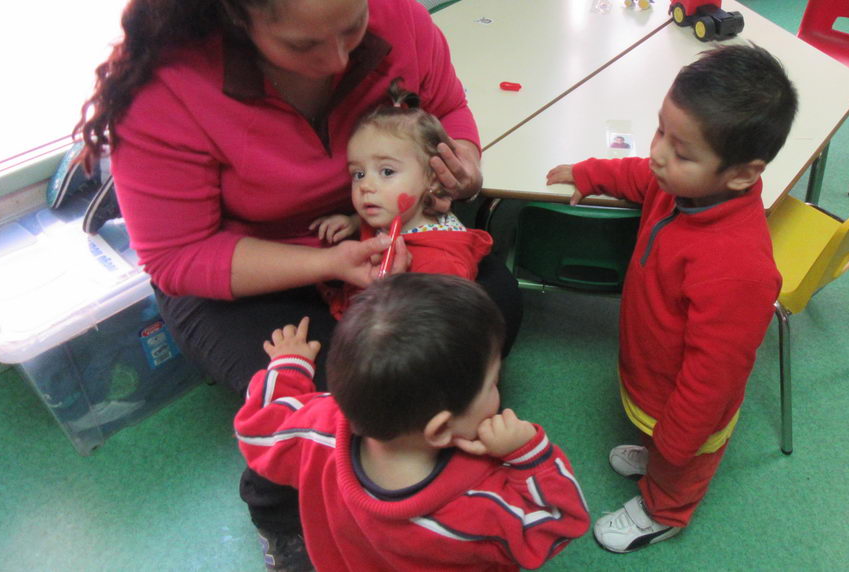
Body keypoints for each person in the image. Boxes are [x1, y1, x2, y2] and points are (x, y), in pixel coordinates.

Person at [74, 0, 521, 570]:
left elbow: (447, 109)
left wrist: (459, 163)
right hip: (241, 273)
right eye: (303, 44)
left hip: (369, 242)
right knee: (323, 386)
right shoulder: (167, 93)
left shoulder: (396, 19)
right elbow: (179, 256)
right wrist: (329, 261)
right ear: (233, 19)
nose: (340, 59)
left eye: (350, 28)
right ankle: (285, 520)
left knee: (494, 303)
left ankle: (417, 435)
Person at [545, 44, 798, 553]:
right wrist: (591, 173)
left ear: (743, 174)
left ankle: (663, 511)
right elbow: (642, 176)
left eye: (681, 151)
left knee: (682, 463)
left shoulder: (738, 270)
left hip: (688, 404)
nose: (659, 153)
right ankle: (658, 452)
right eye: (662, 130)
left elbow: (713, 377)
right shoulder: (681, 184)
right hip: (654, 371)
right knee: (663, 438)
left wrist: (678, 443)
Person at [235, 273, 590, 570]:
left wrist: (289, 366)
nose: (498, 390)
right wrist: (528, 453)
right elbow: (559, 522)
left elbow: (259, 427)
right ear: (439, 429)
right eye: (493, 383)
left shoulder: (317, 429)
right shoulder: (477, 505)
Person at [312, 80, 493, 318]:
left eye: (387, 172)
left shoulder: (440, 267)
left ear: (433, 178)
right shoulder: (395, 212)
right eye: (358, 174)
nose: (365, 185)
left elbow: (431, 336)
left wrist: (393, 292)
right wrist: (355, 222)